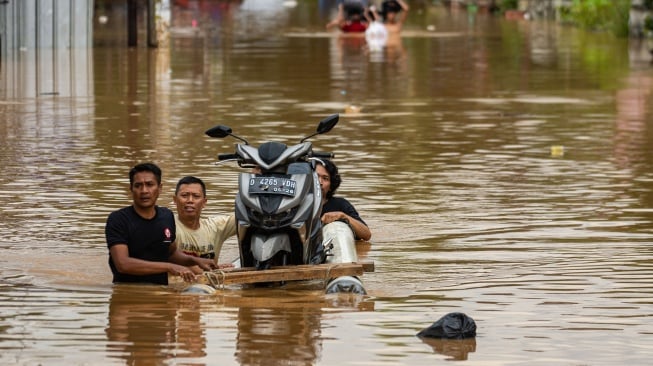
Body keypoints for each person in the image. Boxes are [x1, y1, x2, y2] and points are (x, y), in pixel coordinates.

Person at [105, 162, 217, 285]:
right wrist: (169, 267)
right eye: (138, 185)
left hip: (162, 292)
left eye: (149, 185)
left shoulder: (166, 216)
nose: (144, 191)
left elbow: (171, 253)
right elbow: (123, 264)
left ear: (160, 188)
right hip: (129, 293)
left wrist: (195, 260)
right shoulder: (118, 219)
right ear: (131, 188)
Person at [172, 176, 237, 274]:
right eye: (184, 195)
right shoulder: (168, 225)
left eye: (196, 196)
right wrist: (208, 271)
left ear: (204, 203)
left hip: (207, 284)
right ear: (175, 200)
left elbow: (246, 216)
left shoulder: (215, 227)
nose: (190, 200)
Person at [315, 159, 372, 241]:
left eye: (325, 178)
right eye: (316, 176)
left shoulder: (340, 205)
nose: (320, 182)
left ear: (331, 186)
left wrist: (343, 216)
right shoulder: (296, 203)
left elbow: (366, 235)